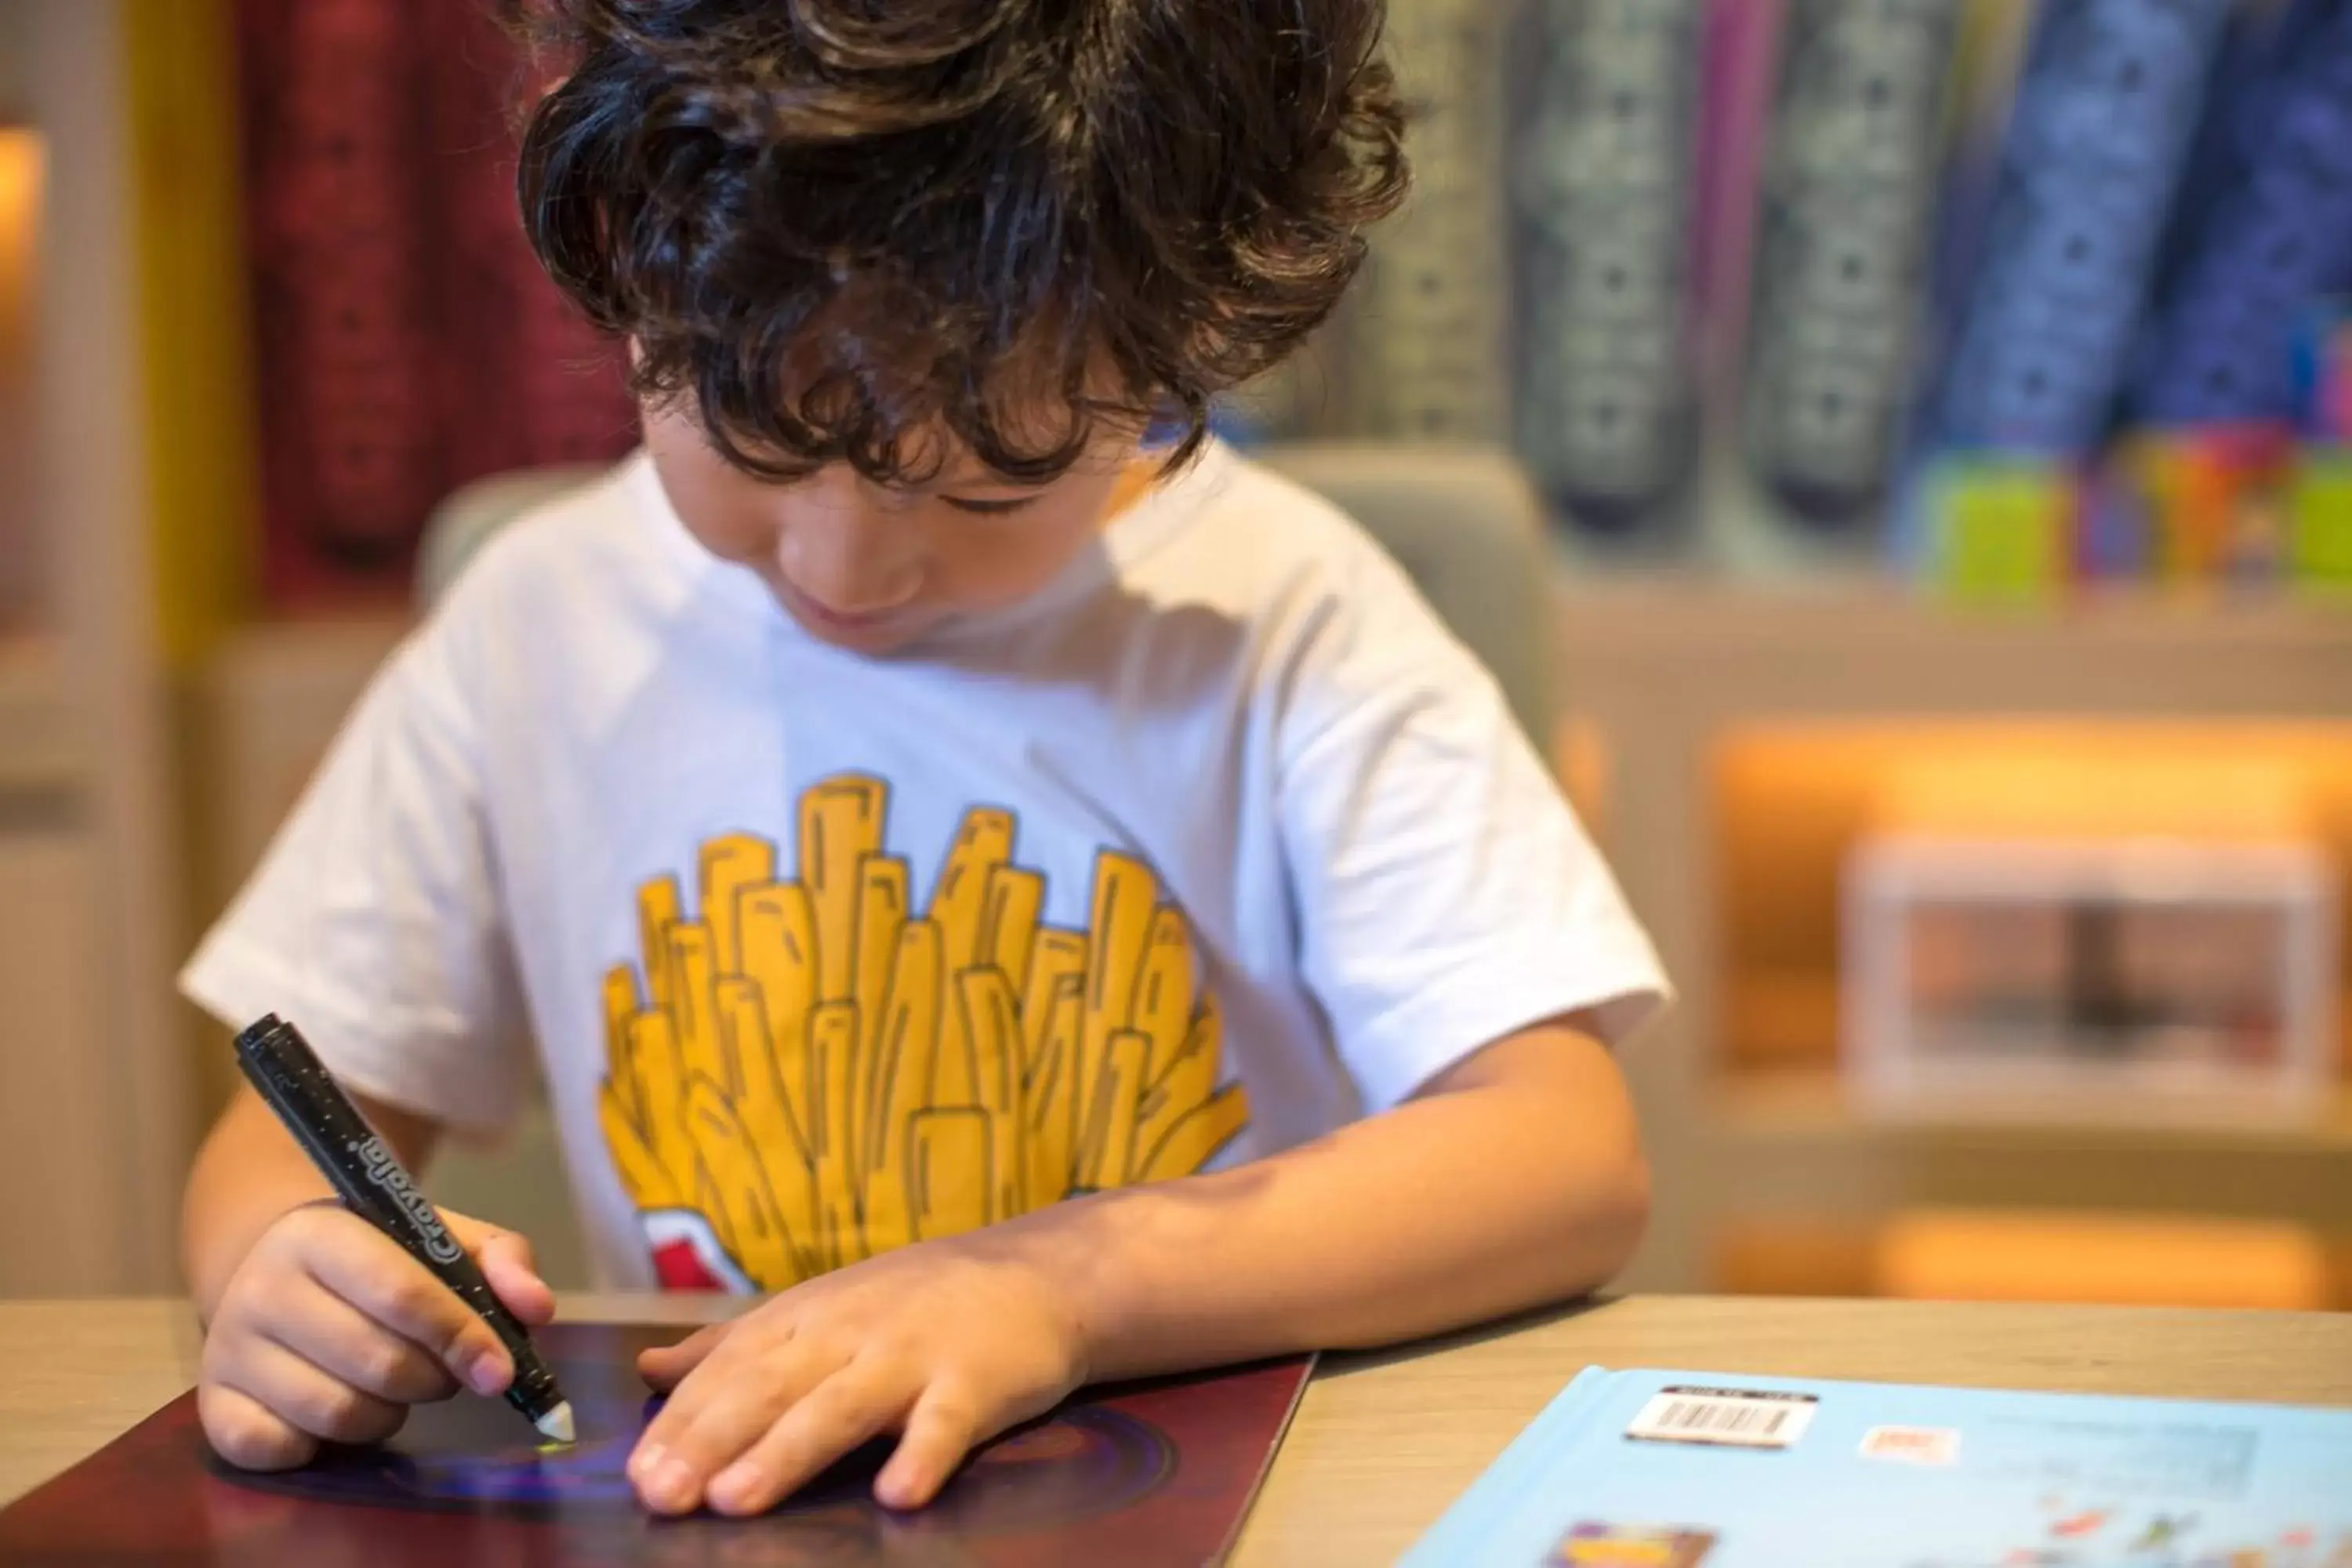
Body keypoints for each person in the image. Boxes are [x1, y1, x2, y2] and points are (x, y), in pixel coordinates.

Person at [179, 0, 1668, 1519]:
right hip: (725, 1507)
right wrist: (286, 1268)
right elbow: (280, 1133)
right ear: (635, 267)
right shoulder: (540, 627)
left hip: (1201, 1500)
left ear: (1168, 340)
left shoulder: (1279, 620)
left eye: (976, 486)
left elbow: (1561, 1154)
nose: (849, 564)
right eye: (763, 439)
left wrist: (1059, 1289)